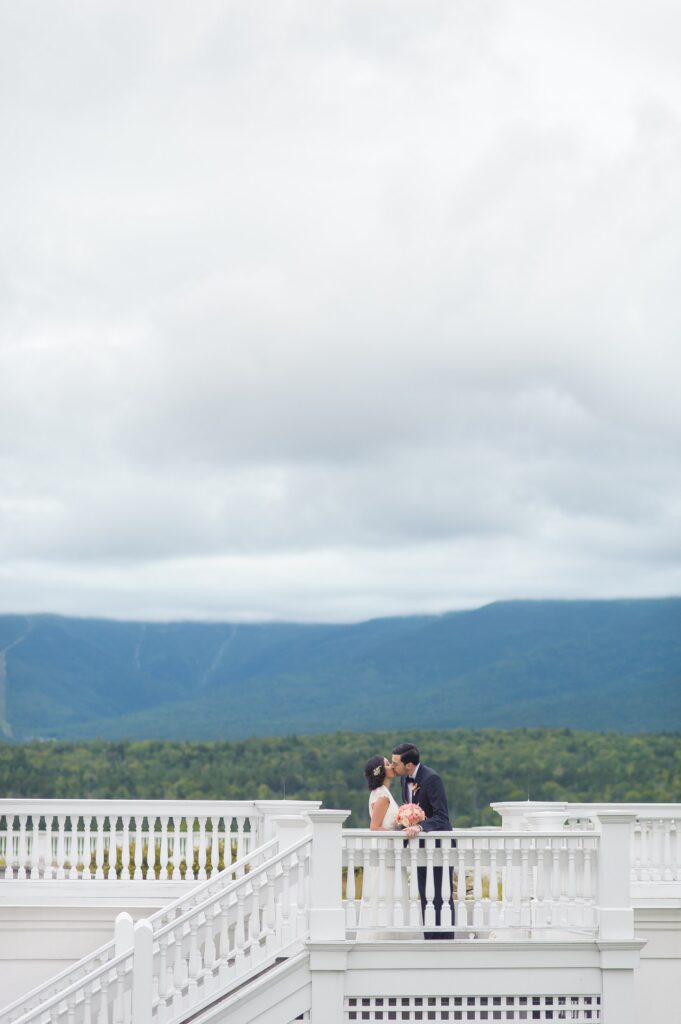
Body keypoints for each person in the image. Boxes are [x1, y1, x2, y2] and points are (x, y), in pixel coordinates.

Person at [391, 742, 455, 939]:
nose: (393, 767)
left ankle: (445, 941)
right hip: (420, 849)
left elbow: (442, 816)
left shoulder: (432, 779)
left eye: (396, 763)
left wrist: (419, 827)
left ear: (409, 765)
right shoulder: (404, 781)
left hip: (439, 848)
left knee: (441, 896)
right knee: (424, 895)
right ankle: (429, 939)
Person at [358, 755, 404, 938]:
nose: (392, 765)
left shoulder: (382, 792)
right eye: (387, 764)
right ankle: (383, 935)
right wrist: (398, 834)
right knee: (385, 891)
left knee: (389, 893)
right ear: (380, 771)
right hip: (386, 852)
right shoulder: (382, 796)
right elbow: (375, 827)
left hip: (390, 852)